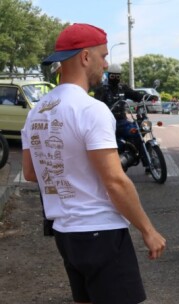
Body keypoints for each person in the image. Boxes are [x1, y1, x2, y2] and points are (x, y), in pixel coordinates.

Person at [21, 23, 166, 303]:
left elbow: (30, 173)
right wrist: (148, 230)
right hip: (102, 232)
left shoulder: (37, 110)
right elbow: (115, 181)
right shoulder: (90, 109)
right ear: (85, 57)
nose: (106, 63)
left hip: (65, 234)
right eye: (103, 55)